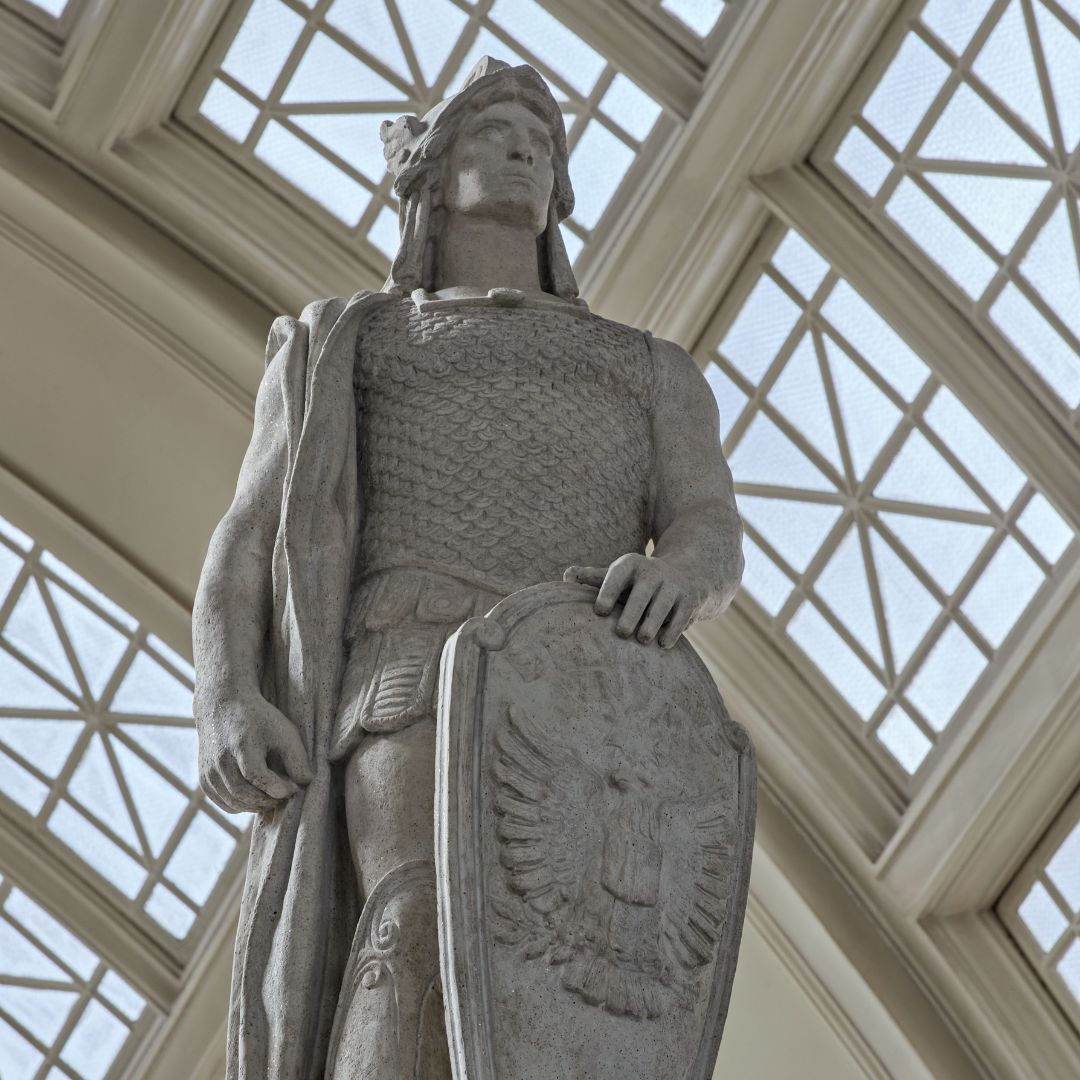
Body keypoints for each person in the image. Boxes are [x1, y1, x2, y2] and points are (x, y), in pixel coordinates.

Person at [193, 56, 743, 1080]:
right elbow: (250, 532)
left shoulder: (649, 369)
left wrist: (682, 574)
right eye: (495, 129)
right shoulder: (350, 343)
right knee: (416, 919)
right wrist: (226, 692)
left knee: (580, 975)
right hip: (410, 671)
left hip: (594, 704)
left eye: (542, 137)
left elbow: (711, 529)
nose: (527, 147)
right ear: (432, 173)